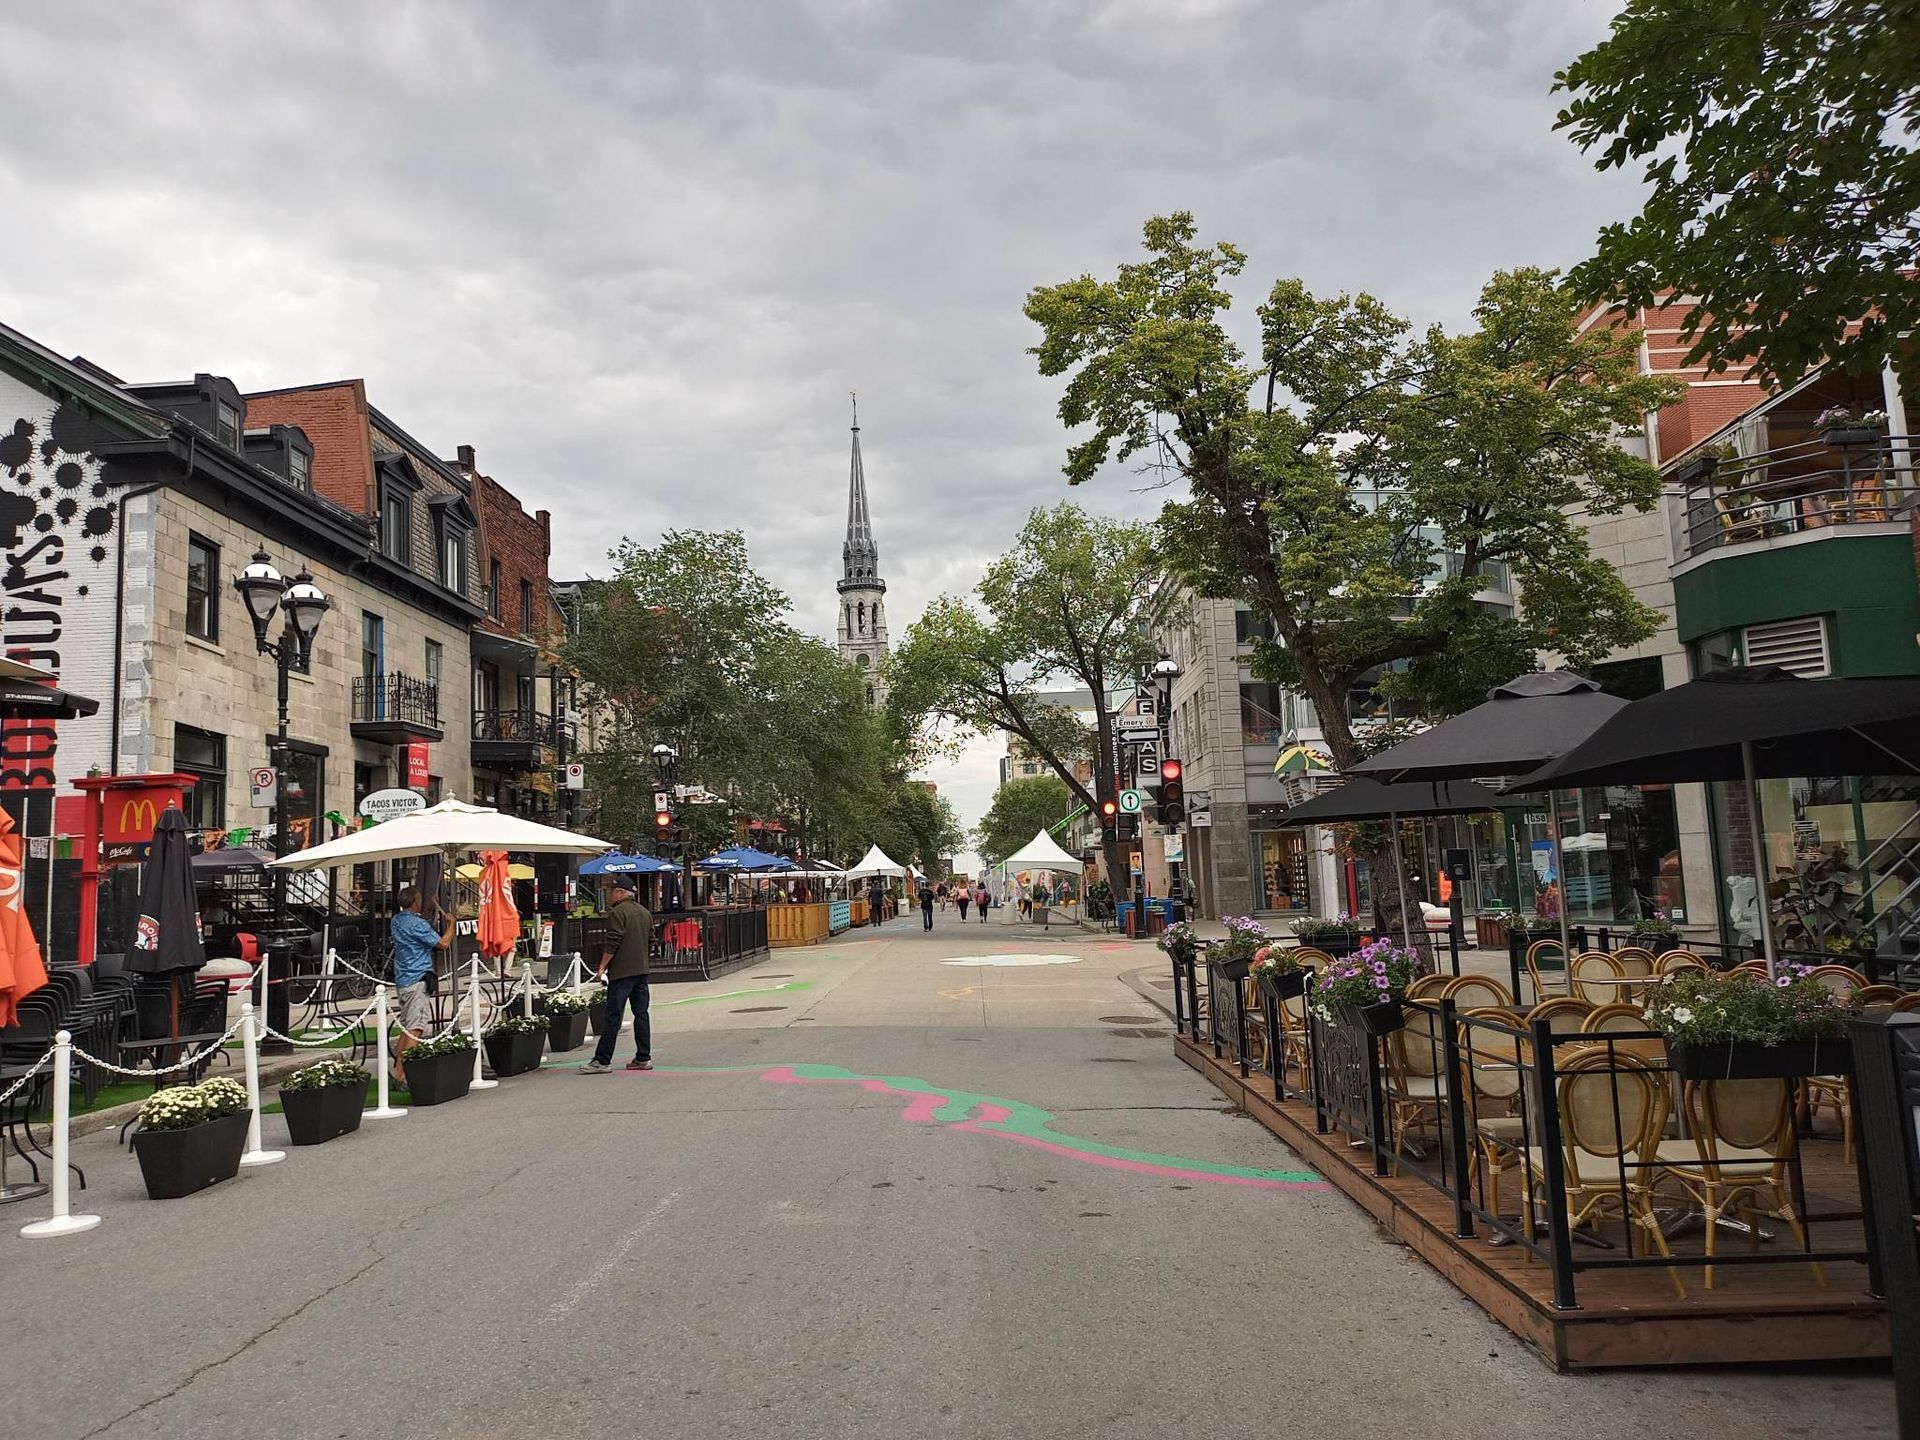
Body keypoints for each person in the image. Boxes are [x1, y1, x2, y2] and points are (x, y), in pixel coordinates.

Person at [582, 879, 654, 1074]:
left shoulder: (617, 913)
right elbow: (652, 940)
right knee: (641, 1014)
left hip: (622, 972)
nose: (609, 894)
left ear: (621, 892)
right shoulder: (644, 912)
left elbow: (613, 942)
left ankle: (602, 1060)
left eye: (612, 890)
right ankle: (643, 1057)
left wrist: (602, 967)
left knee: (613, 1015)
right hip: (641, 971)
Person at [389, 885, 454, 1087]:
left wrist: (428, 907)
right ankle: (402, 1075)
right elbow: (443, 943)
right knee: (416, 1028)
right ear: (415, 902)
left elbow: (417, 925)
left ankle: (397, 1070)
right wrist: (451, 924)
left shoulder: (398, 920)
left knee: (407, 1028)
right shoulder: (417, 925)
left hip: (403, 979)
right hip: (417, 979)